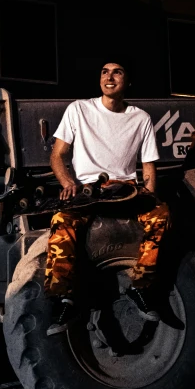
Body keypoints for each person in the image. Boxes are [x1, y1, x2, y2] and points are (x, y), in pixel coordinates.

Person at [44, 61, 171, 335]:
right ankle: (64, 299)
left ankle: (140, 288)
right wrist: (68, 182)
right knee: (61, 220)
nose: (109, 76)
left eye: (117, 72)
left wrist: (150, 192)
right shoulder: (79, 109)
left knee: (160, 215)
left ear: (128, 81)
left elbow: (148, 164)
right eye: (104, 71)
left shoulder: (141, 118)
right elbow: (57, 155)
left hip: (126, 189)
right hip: (89, 190)